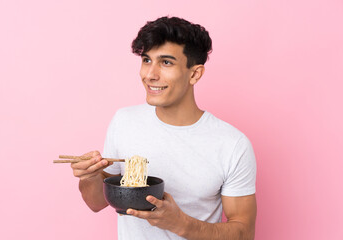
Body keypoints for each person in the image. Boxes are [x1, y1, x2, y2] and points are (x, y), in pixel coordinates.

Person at [71, 16, 257, 240]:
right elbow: (97, 202)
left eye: (166, 62)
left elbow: (244, 233)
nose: (150, 75)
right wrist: (89, 177)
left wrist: (180, 224)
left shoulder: (232, 144)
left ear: (194, 73)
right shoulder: (124, 121)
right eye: (147, 60)